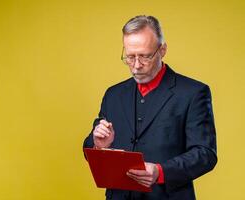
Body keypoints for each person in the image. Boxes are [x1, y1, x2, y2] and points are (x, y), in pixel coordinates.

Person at [83, 15, 217, 200]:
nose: (136, 66)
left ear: (162, 50)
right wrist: (99, 146)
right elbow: (89, 148)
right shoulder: (113, 94)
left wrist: (161, 172)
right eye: (130, 57)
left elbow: (205, 154)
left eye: (145, 56)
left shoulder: (193, 92)